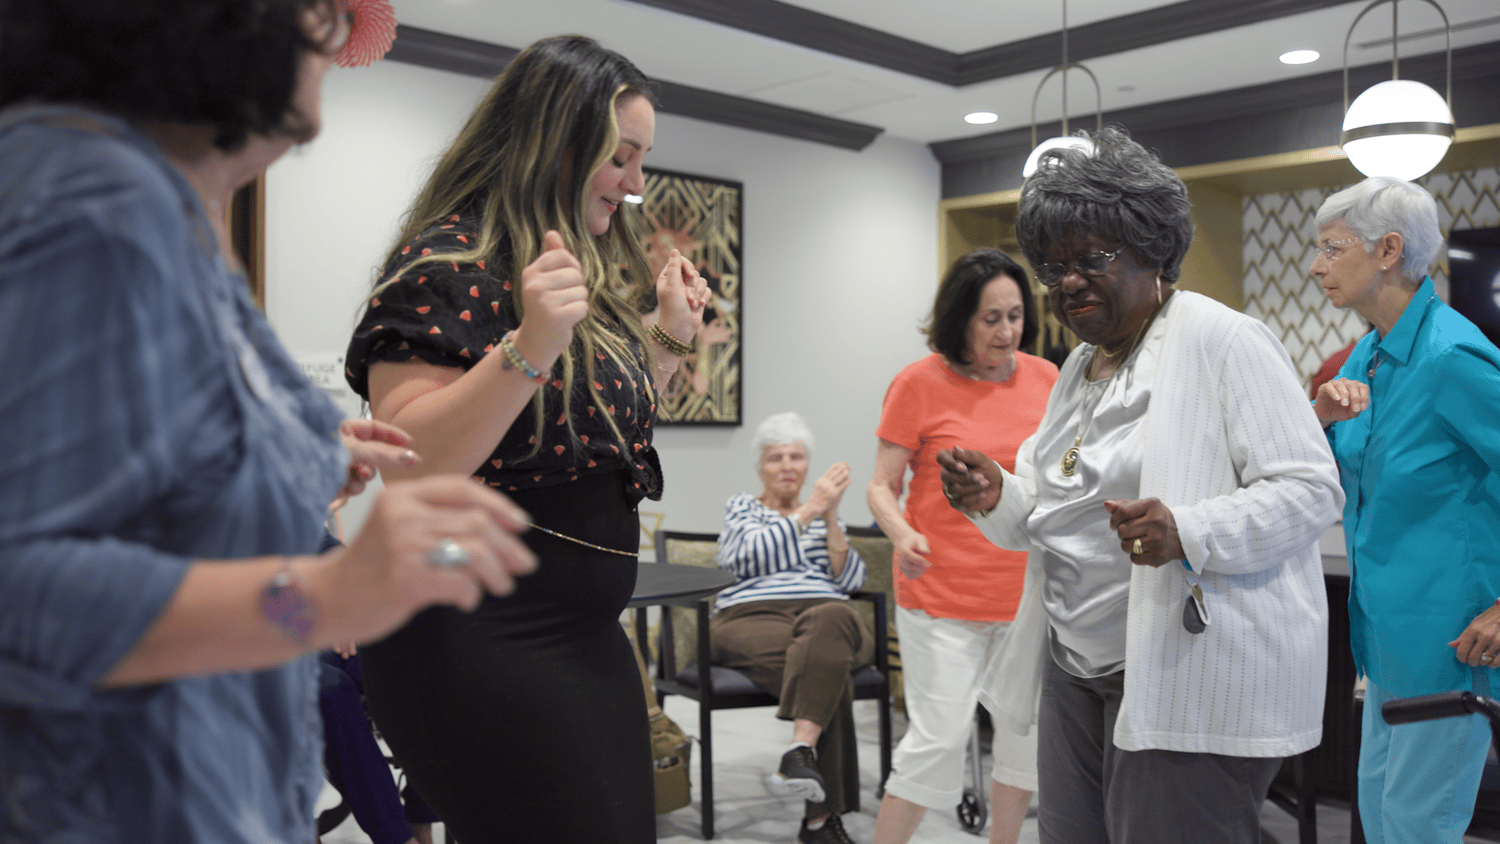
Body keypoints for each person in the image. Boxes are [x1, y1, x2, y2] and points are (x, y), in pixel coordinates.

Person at [0, 2, 536, 841]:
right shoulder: (96, 201)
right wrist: (320, 598)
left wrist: (295, 451)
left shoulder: (163, 203)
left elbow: (143, 473)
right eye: (323, 13)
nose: (334, 43)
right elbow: (23, 596)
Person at [343, 35, 710, 843]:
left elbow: (584, 416)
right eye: (622, 156)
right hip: (478, 641)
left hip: (580, 637)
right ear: (558, 141)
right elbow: (410, 464)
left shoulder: (559, 269)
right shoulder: (443, 263)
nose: (636, 183)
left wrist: (672, 338)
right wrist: (530, 344)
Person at [937, 127, 1343, 844]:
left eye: (1091, 257)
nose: (1067, 281)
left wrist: (1188, 531)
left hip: (1180, 661)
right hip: (1074, 663)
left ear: (1153, 250)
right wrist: (996, 493)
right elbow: (1048, 500)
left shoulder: (1223, 342)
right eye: (1053, 266)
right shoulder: (1076, 369)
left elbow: (1311, 491)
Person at [1310, 177, 1500, 843]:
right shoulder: (1369, 354)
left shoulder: (1454, 357)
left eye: (1332, 249)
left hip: (1446, 647)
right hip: (1384, 644)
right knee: (1385, 824)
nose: (1316, 265)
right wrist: (1322, 419)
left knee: (1416, 831)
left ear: (1388, 249)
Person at [867, 249, 1057, 844]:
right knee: (939, 742)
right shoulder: (918, 384)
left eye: (1016, 316)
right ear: (960, 320)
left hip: (1025, 594)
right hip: (941, 594)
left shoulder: (1049, 379)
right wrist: (902, 533)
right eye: (990, 319)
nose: (1007, 332)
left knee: (1023, 740)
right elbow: (880, 486)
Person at [714, 412, 873, 844]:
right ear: (760, 467)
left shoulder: (825, 517)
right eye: (776, 458)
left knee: (834, 617)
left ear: (808, 465)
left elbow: (850, 581)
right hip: (752, 617)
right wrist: (809, 511)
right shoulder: (743, 507)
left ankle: (799, 749)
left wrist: (833, 516)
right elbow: (743, 559)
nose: (787, 466)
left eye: (797, 457)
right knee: (828, 671)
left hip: (824, 616)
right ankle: (821, 824)